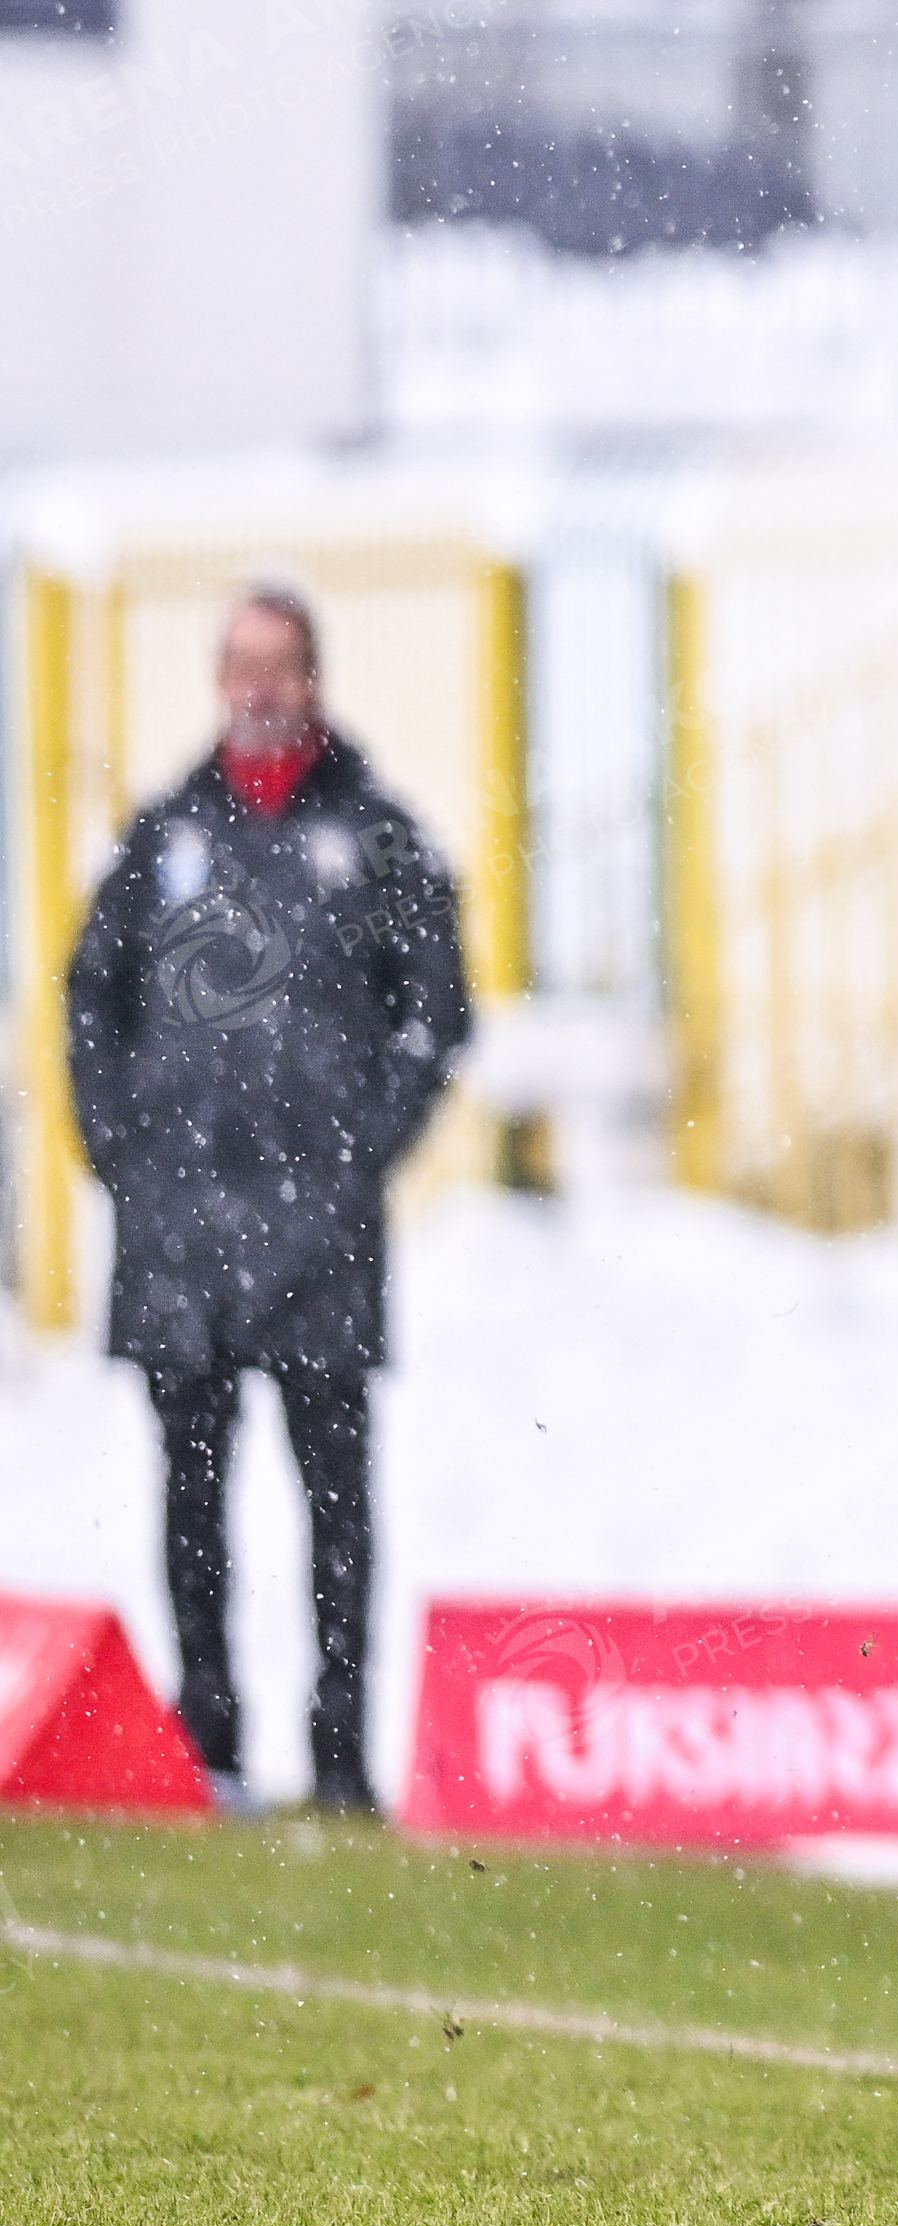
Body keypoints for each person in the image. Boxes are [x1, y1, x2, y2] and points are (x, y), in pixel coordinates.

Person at [62, 585, 471, 1816]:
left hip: (319, 1230)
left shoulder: (378, 836)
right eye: (239, 663)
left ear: (313, 678)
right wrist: (122, 1150)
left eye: (277, 664)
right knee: (190, 1496)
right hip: (181, 1227)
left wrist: (361, 1150)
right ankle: (212, 1743)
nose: (258, 686)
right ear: (217, 677)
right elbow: (91, 998)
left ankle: (339, 1754)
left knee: (334, 1498)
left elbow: (437, 1008)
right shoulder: (164, 835)